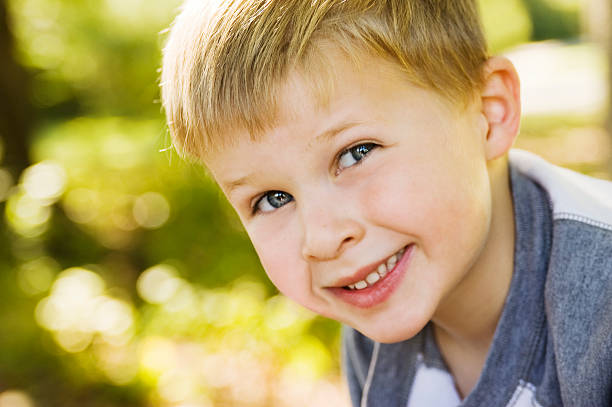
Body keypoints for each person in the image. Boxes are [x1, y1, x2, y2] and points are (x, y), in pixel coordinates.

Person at [159, 1, 612, 405]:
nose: (321, 238)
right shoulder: (373, 323)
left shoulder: (599, 307)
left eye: (356, 153)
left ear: (488, 113)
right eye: (272, 199)